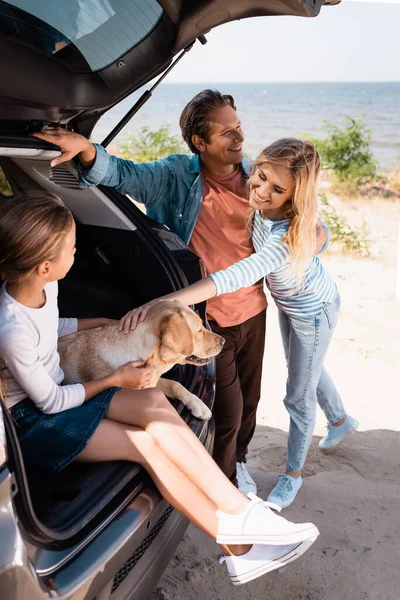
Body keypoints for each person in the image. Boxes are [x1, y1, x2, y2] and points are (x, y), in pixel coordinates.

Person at [0, 192, 319, 585]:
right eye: (71, 248)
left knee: (152, 396)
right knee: (146, 445)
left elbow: (55, 327)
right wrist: (115, 380)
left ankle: (241, 514)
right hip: (31, 423)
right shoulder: (10, 329)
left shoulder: (43, 288)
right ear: (45, 265)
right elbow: (48, 402)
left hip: (58, 392)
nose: (77, 251)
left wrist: (106, 322)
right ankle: (235, 545)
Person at [32, 90, 328, 495]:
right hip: (204, 316)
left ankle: (239, 460)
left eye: (238, 125)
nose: (239, 137)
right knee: (228, 410)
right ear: (200, 143)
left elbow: (300, 217)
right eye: (226, 132)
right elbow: (123, 174)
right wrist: (86, 149)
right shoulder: (176, 175)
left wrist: (319, 235)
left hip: (253, 311)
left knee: (252, 399)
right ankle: (224, 483)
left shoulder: (258, 177)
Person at [120, 138, 359, 510]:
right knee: (309, 369)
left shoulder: (285, 236)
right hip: (288, 306)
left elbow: (238, 273)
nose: (261, 191)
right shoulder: (264, 201)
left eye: (277, 190)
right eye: (260, 178)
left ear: (295, 197)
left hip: (314, 311)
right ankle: (341, 419)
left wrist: (165, 301)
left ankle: (292, 475)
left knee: (298, 393)